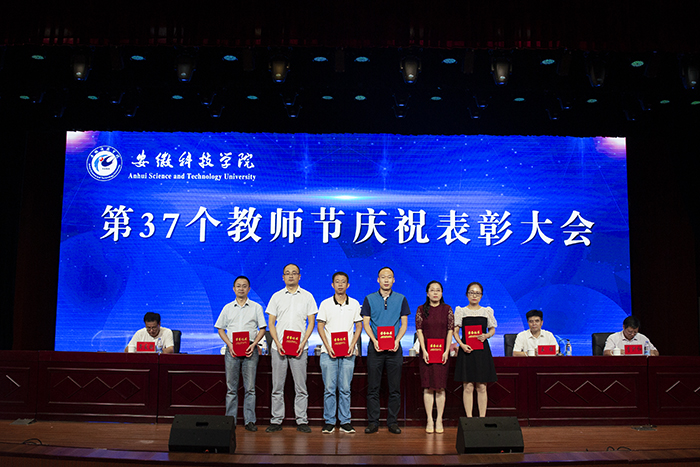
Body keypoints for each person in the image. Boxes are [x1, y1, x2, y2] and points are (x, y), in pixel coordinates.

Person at [265, 263, 318, 433]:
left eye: (294, 273)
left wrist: (303, 343)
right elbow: (271, 323)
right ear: (283, 277)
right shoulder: (276, 296)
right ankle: (276, 420)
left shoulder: (308, 296)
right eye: (287, 273)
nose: (290, 276)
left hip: (299, 348)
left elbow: (311, 323)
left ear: (299, 276)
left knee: (301, 387)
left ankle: (301, 420)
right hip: (278, 347)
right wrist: (277, 342)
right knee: (277, 387)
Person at [361, 266, 410, 435]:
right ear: (378, 280)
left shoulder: (401, 299)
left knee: (394, 388)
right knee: (373, 387)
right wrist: (374, 340)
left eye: (389, 277)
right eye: (383, 277)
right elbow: (366, 323)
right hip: (375, 348)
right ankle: (373, 422)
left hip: (394, 349)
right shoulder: (369, 298)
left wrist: (397, 340)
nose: (386, 280)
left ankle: (392, 422)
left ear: (394, 280)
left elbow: (404, 324)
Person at [215, 275, 267, 432]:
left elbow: (262, 328)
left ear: (249, 289)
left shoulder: (256, 307)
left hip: (250, 349)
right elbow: (220, 329)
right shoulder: (227, 308)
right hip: (232, 350)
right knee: (231, 388)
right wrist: (229, 344)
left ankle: (250, 421)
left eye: (244, 286)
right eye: (238, 286)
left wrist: (255, 344)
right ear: (234, 289)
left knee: (250, 388)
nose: (241, 288)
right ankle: (230, 421)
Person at [317, 271, 362, 434]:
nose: (340, 284)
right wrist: (327, 346)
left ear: (348, 285)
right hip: (328, 352)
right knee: (329, 388)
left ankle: (345, 421)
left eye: (343, 282)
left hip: (348, 352)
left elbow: (359, 326)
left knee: (345, 388)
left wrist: (353, 344)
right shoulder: (325, 304)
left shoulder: (354, 304)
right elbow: (320, 326)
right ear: (332, 285)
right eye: (337, 281)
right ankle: (329, 421)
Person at [453, 282, 497, 417]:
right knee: (468, 386)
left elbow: (492, 329)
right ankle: (469, 419)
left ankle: (482, 418)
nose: (474, 296)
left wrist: (486, 335)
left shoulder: (486, 311)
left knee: (482, 386)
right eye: (471, 292)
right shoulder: (461, 311)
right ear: (467, 294)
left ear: (481, 296)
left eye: (477, 293)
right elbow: (455, 332)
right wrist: (461, 345)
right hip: (467, 351)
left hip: (482, 351)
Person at [415, 280, 454, 434]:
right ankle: (429, 419)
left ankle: (439, 420)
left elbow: (450, 331)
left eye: (438, 290)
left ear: (442, 293)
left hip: (442, 353)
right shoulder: (421, 309)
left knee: (440, 387)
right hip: (427, 354)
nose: (435, 293)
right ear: (427, 293)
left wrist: (446, 350)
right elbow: (419, 331)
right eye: (432, 290)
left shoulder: (447, 309)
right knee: (428, 387)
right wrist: (424, 350)